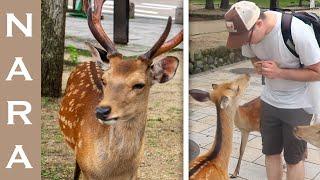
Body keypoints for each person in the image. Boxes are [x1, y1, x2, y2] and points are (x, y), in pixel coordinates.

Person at [224, 1, 320, 180]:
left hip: (298, 103)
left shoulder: (297, 32)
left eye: (246, 38)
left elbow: (317, 72)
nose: (245, 43)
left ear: (259, 24)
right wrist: (258, 67)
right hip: (268, 101)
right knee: (271, 153)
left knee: (293, 159)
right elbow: (252, 57)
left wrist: (280, 72)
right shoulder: (248, 34)